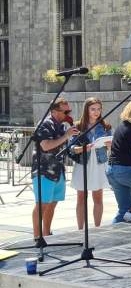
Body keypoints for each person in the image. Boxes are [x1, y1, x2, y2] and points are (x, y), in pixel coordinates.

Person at [31, 98, 79, 239]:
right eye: (66, 111)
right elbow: (45, 146)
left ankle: (46, 234)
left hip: (58, 171)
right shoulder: (45, 124)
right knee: (42, 204)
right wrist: (66, 135)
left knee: (52, 204)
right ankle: (37, 237)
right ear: (54, 111)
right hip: (44, 171)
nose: (68, 114)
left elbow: (66, 148)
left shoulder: (62, 126)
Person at [69, 98, 112, 230]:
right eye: (93, 109)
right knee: (81, 197)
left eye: (99, 109)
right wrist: (83, 148)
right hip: (83, 163)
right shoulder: (78, 127)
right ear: (86, 110)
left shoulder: (106, 127)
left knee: (98, 197)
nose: (96, 112)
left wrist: (110, 146)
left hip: (99, 163)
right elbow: (70, 148)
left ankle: (97, 228)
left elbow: (111, 147)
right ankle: (80, 229)